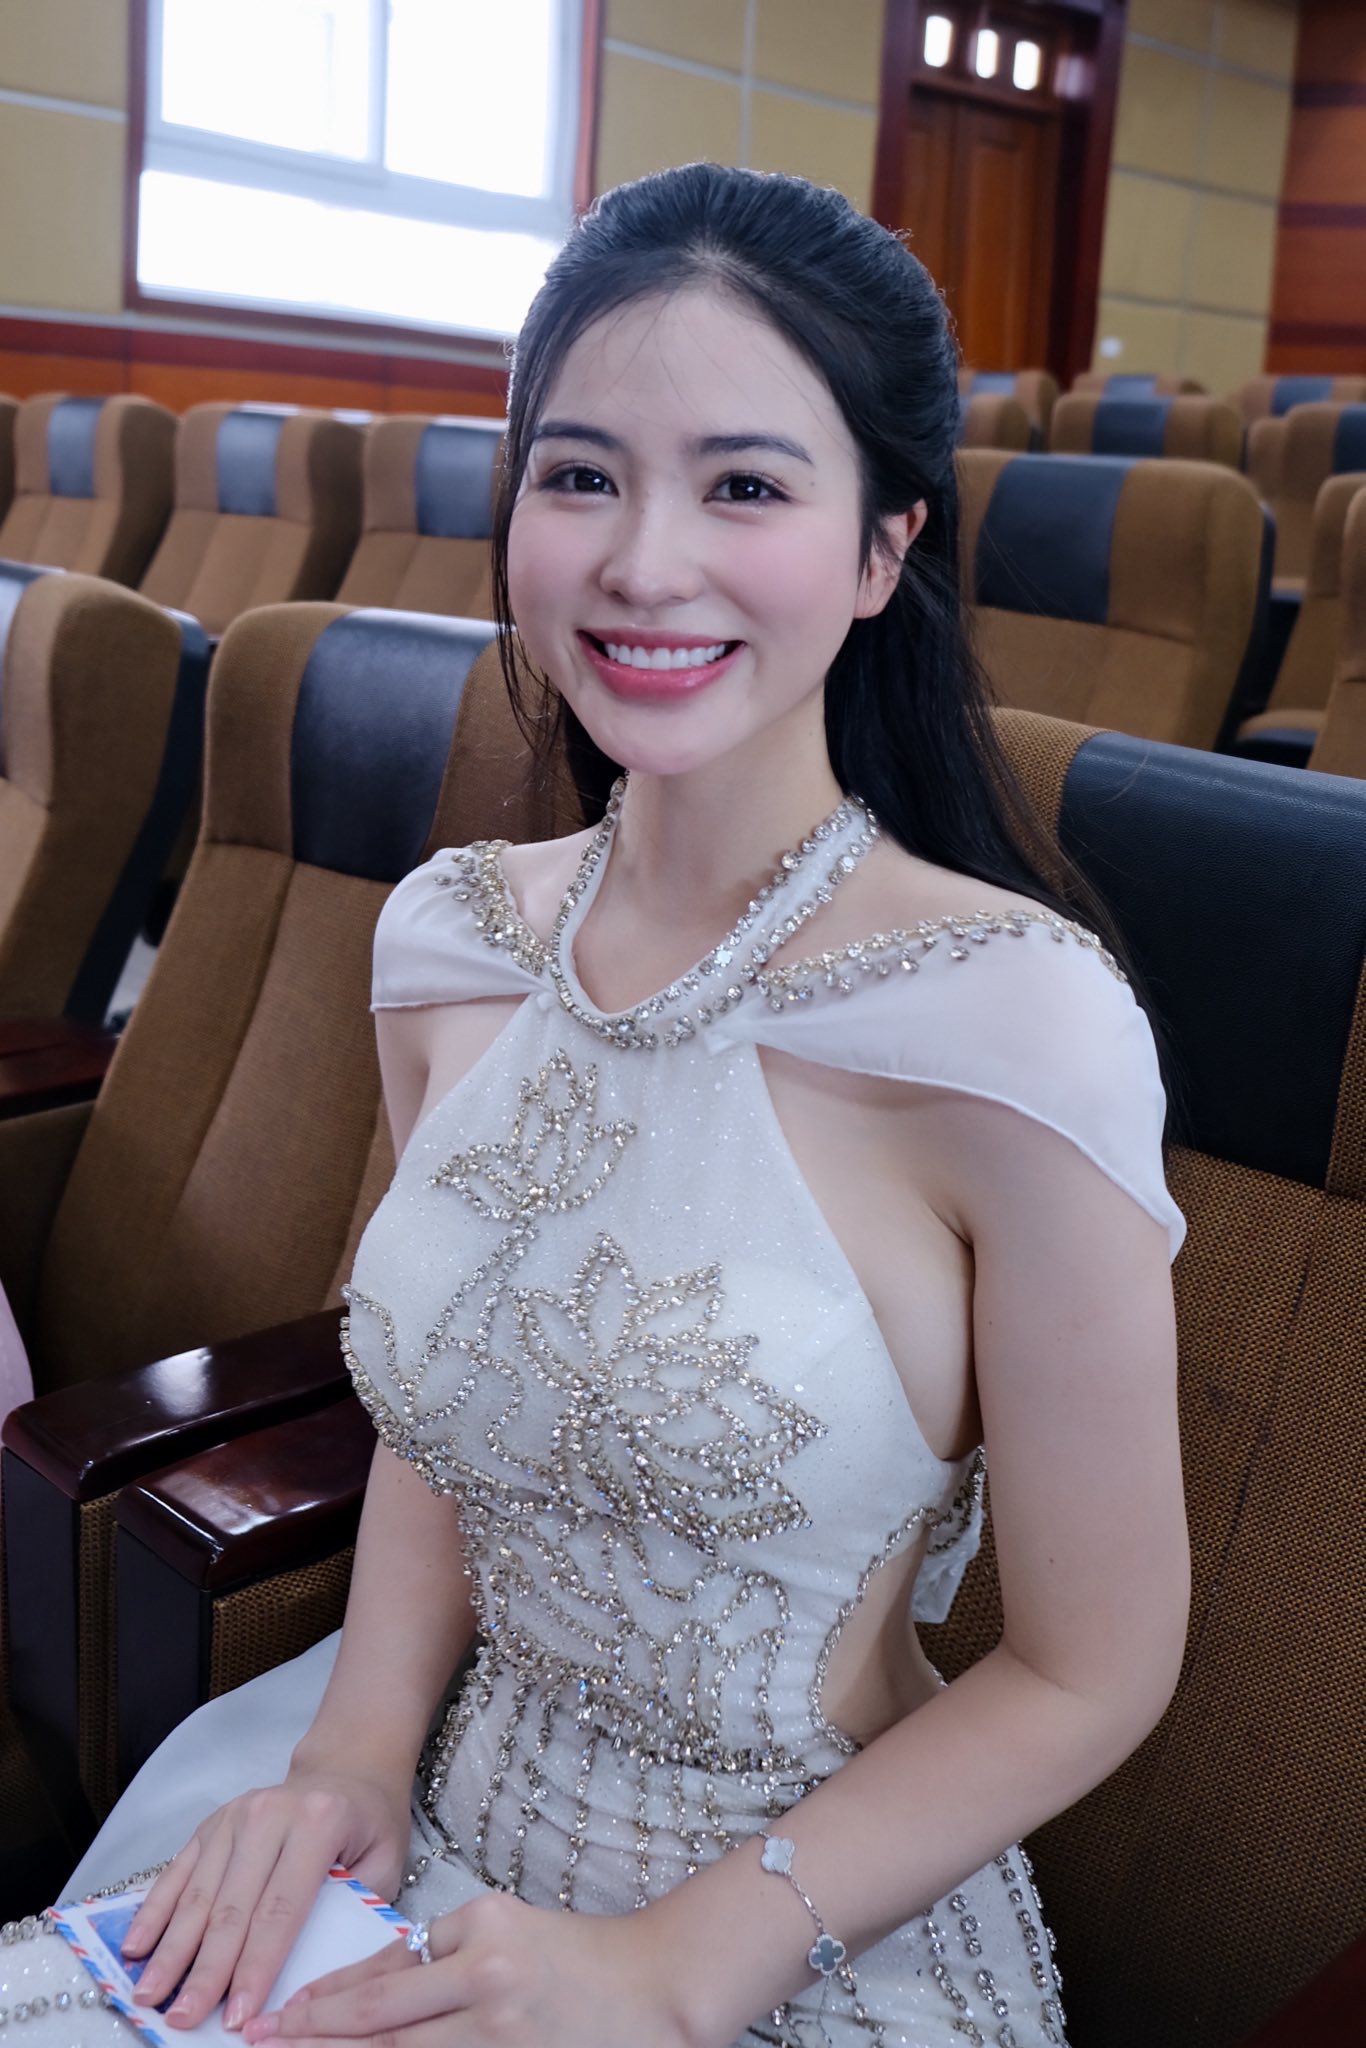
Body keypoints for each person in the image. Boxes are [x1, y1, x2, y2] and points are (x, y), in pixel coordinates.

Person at [4, 163, 1189, 2048]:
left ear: (881, 548)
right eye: (578, 476)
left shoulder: (1013, 1023)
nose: (643, 563)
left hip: (797, 1921)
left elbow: (1090, 1665)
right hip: (433, 1818)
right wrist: (355, 1753)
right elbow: (441, 1410)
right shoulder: (448, 943)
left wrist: (675, 1969)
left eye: (745, 486)